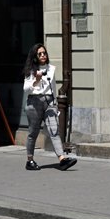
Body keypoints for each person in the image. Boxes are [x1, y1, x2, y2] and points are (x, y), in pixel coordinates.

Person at [23, 43, 76, 171]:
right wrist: (36, 80)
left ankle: (62, 159)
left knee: (54, 130)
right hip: (34, 102)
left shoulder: (51, 68)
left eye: (44, 53)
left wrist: (55, 103)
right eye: (40, 54)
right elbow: (26, 89)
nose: (43, 55)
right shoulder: (30, 70)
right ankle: (29, 160)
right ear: (35, 56)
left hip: (49, 102)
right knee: (33, 133)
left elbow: (52, 86)